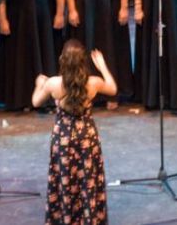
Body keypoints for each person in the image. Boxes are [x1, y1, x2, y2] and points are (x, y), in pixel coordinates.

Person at [32, 40, 116, 225]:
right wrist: (102, 67)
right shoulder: (93, 83)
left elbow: (36, 102)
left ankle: (67, 218)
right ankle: (88, 218)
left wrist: (40, 83)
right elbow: (112, 88)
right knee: (87, 179)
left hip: (63, 140)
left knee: (65, 179)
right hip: (87, 138)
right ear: (83, 62)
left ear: (63, 60)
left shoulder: (54, 84)